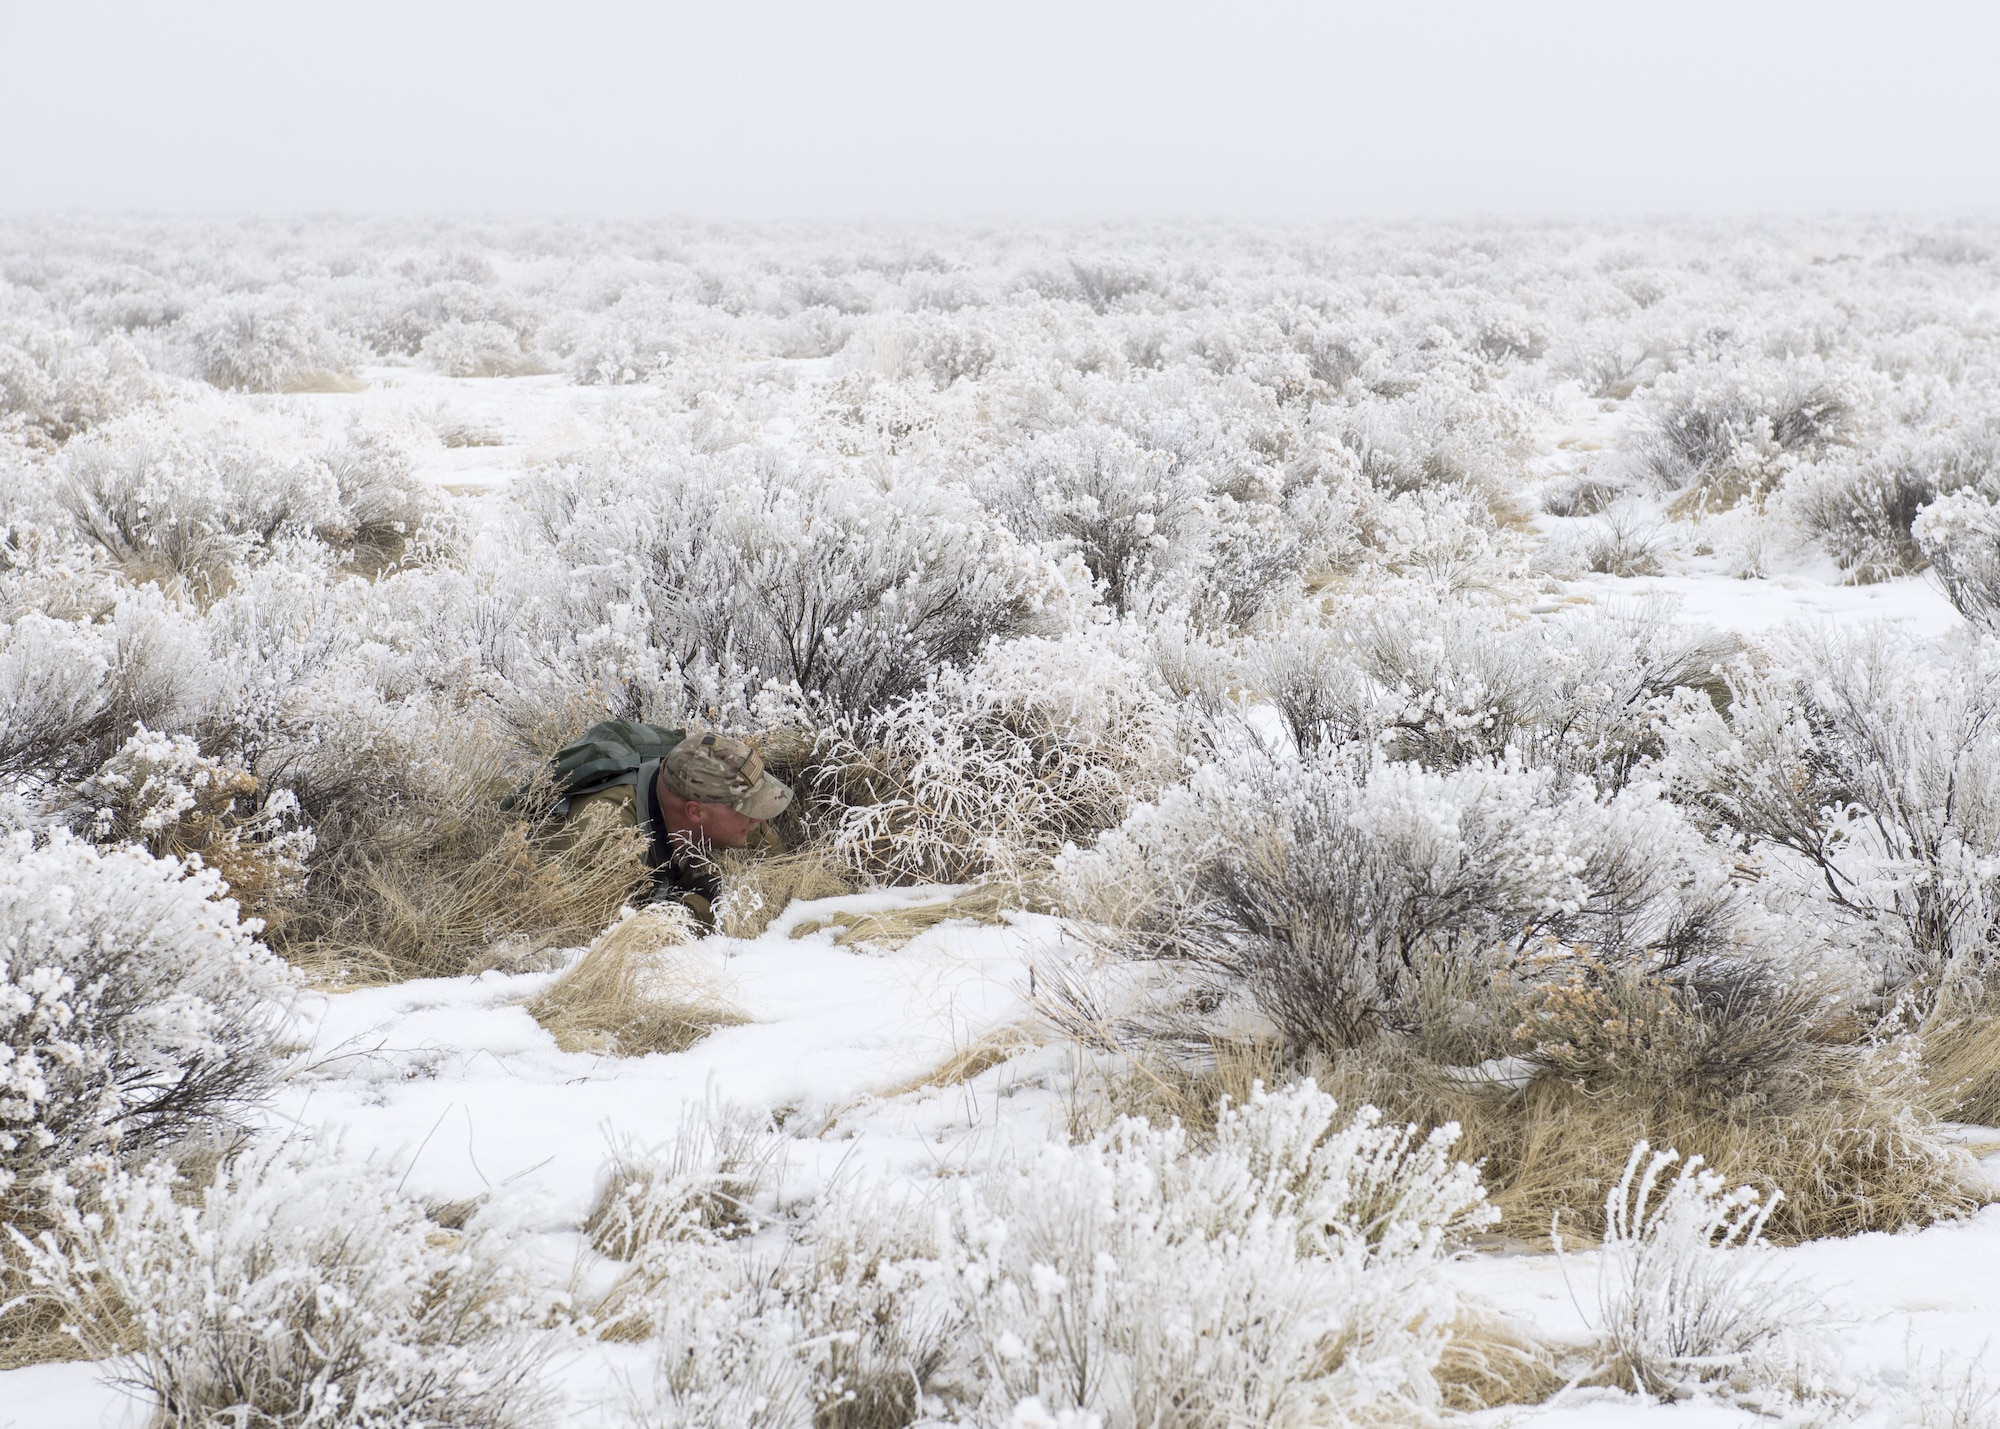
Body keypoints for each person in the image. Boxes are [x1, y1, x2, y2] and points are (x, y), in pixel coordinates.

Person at [558, 728, 793, 930]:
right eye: (748, 809)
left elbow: (784, 880)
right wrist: (702, 907)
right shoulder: (606, 835)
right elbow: (602, 943)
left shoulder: (731, 817)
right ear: (695, 812)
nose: (759, 820)